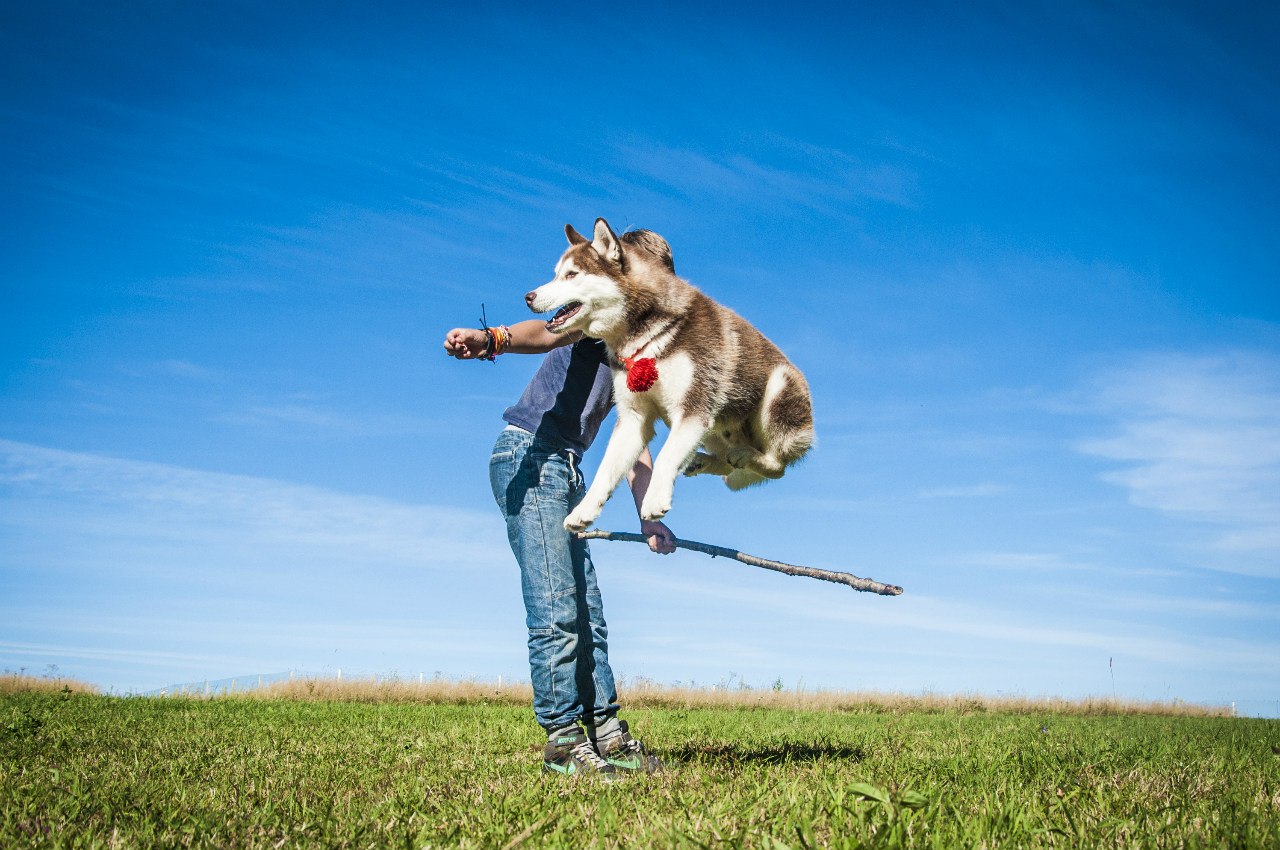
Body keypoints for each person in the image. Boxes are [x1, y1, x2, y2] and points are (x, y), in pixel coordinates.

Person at [444, 296, 676, 777]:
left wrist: (649, 515)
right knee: (556, 606)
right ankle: (564, 741)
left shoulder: (634, 353)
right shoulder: (597, 314)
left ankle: (606, 732)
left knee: (588, 612)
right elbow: (549, 333)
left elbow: (633, 441)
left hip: (566, 469)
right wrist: (492, 339)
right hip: (530, 455)